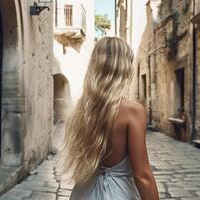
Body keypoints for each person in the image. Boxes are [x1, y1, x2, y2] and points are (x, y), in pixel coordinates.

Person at [58, 37, 159, 200]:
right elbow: (142, 175)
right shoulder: (133, 111)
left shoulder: (81, 110)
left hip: (83, 193)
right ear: (124, 68)